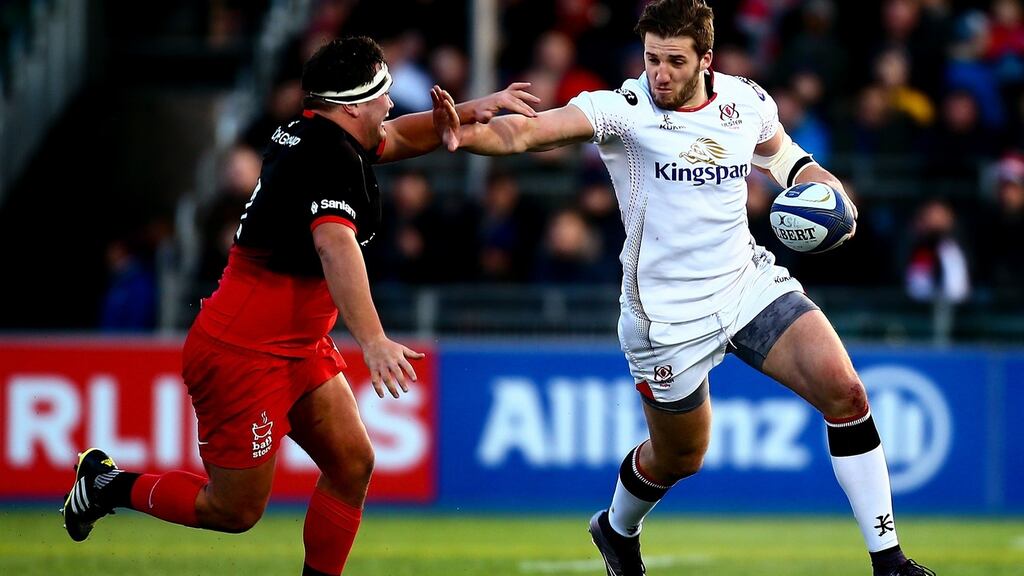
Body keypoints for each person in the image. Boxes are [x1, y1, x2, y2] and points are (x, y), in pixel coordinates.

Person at [435, 1, 935, 574]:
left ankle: (889, 559)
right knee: (680, 457)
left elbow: (791, 162)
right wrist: (466, 134)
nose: (660, 74)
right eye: (652, 59)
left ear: (706, 59)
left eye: (675, 61)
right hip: (665, 319)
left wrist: (830, 194)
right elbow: (527, 133)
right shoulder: (624, 109)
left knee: (847, 395)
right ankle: (616, 529)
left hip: (746, 285)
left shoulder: (745, 100)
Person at [61, 36, 539, 576]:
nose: (390, 103)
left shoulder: (322, 132)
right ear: (354, 105)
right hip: (244, 350)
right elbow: (334, 246)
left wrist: (468, 111)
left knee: (352, 464)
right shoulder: (327, 158)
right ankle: (106, 484)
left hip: (294, 342)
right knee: (233, 510)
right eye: (382, 93)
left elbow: (397, 135)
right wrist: (374, 339)